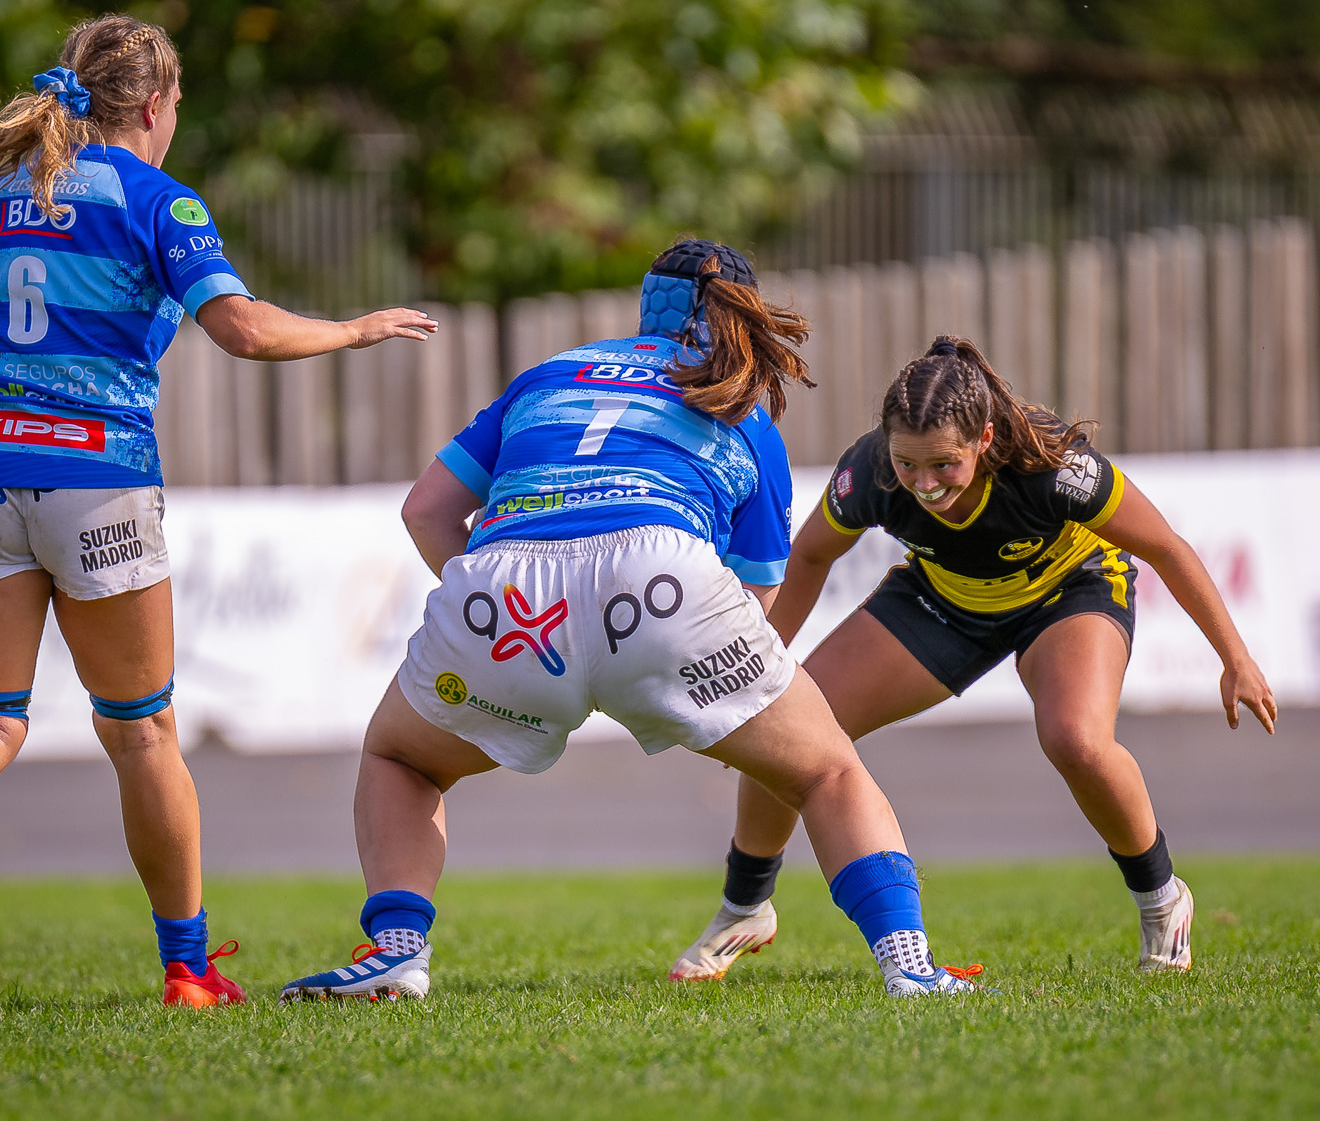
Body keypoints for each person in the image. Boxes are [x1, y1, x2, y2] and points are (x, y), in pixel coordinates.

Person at [0, 14, 436, 1008]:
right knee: (141, 732)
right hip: (95, 473)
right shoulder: (160, 202)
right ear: (151, 105)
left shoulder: (8, 191)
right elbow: (247, 331)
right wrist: (358, 326)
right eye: (177, 103)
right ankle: (187, 969)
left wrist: (11, 351)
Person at [279, 240, 984, 1004]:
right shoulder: (741, 405)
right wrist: (712, 690)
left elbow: (425, 511)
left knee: (399, 760)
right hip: (664, 583)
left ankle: (396, 949)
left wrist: (495, 600)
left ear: (646, 303)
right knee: (825, 769)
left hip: (509, 588)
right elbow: (756, 600)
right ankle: (909, 965)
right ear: (741, 317)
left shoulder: (547, 375)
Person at [669, 335, 1277, 982]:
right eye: (910, 465)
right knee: (785, 727)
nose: (926, 485)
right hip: (943, 600)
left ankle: (1162, 899)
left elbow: (1168, 548)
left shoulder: (1053, 466)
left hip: (1068, 590)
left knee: (1075, 739)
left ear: (985, 439)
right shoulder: (872, 469)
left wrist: (1234, 657)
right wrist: (763, 661)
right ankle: (745, 906)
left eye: (944, 465)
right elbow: (812, 554)